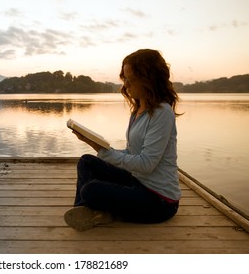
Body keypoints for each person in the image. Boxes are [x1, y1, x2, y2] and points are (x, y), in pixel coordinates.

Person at [64, 49, 182, 231]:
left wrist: (106, 153)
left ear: (148, 79)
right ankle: (84, 211)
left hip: (159, 201)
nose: (126, 85)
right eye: (124, 79)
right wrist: (96, 146)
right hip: (138, 182)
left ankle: (94, 210)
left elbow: (146, 164)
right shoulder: (138, 110)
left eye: (131, 79)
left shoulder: (162, 113)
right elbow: (131, 153)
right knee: (87, 162)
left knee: (91, 190)